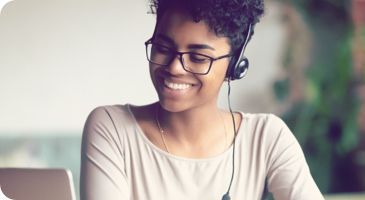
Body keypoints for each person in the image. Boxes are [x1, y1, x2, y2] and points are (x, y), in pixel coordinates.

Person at [80, 0, 324, 199]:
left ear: (233, 66)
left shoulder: (266, 136)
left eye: (198, 57)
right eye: (163, 48)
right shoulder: (111, 128)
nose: (175, 67)